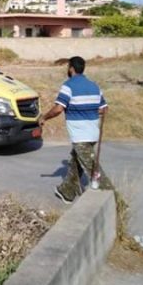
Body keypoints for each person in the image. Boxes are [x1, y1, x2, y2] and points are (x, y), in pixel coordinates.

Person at [40, 56, 113, 204]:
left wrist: (44, 117)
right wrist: (88, 111)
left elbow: (59, 109)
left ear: (71, 68)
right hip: (93, 133)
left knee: (95, 171)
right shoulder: (94, 86)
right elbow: (104, 109)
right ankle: (66, 192)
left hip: (80, 136)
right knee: (75, 162)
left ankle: (116, 204)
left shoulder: (68, 86)